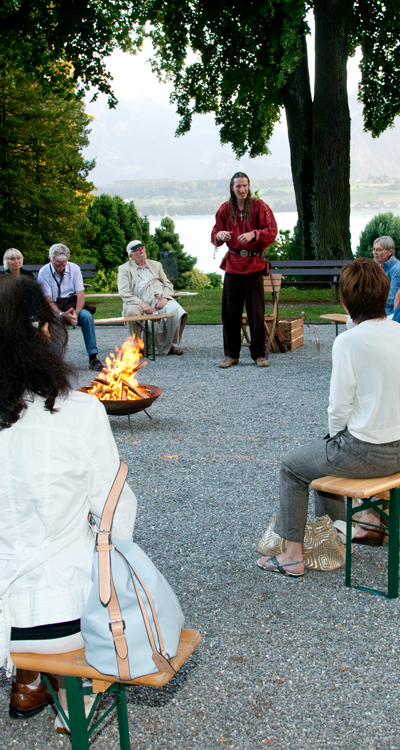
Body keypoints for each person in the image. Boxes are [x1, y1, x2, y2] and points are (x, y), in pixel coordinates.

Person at [0, 275, 137, 730]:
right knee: (95, 547)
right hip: (63, 615)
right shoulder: (78, 411)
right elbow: (117, 514)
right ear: (43, 331)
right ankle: (69, 687)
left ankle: (28, 678)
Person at [257, 257, 400, 576]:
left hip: (370, 453)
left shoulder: (348, 341)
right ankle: (347, 529)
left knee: (293, 466)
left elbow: (338, 410)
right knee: (323, 461)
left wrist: (336, 437)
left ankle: (292, 556)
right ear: (385, 294)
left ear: (347, 303)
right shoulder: (398, 331)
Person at [211, 172, 278, 368]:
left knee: (256, 312)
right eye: (238, 186)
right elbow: (214, 233)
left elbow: (272, 231)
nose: (242, 190)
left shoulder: (260, 206)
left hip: (254, 265)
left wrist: (254, 235)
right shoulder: (225, 208)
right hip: (232, 265)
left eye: (245, 186)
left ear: (248, 186)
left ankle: (259, 355)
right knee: (230, 313)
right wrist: (220, 235)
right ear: (232, 188)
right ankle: (231, 355)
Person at [38, 243, 104, 371]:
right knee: (55, 320)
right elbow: (48, 301)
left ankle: (93, 357)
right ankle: (55, 361)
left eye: (64, 264)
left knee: (87, 317)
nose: (61, 268)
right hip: (54, 307)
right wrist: (62, 314)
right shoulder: (44, 272)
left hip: (72, 305)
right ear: (50, 259)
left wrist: (77, 313)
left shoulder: (74, 268)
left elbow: (80, 294)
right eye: (57, 264)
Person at [118, 240, 187, 356]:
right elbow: (124, 292)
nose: (141, 252)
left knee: (176, 310)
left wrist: (165, 298)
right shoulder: (124, 269)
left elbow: (168, 284)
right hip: (138, 300)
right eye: (137, 250)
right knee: (132, 312)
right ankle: (137, 347)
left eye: (142, 249)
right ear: (130, 255)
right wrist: (141, 304)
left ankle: (169, 345)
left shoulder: (156, 265)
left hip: (159, 297)